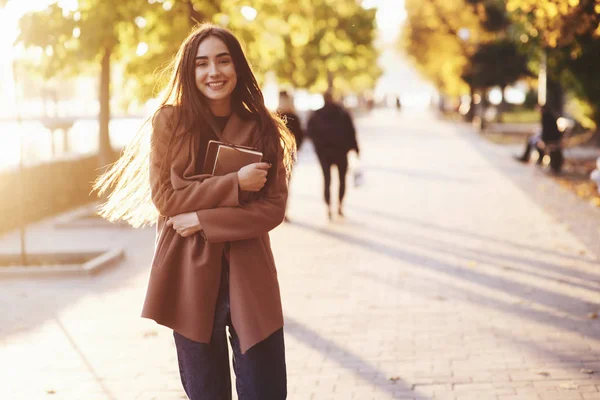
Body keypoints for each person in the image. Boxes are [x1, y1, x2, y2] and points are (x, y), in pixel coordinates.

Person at [94, 23, 295, 400]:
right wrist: (235, 183)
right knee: (205, 391)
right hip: (188, 272)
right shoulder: (170, 122)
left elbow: (271, 210)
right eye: (202, 63)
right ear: (190, 70)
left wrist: (202, 217)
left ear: (238, 67)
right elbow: (167, 200)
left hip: (250, 274)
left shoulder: (264, 128)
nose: (213, 72)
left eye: (223, 60)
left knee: (265, 389)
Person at [307, 91, 359, 219]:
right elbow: (351, 132)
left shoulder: (316, 115)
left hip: (324, 154)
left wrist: (318, 147)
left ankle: (329, 207)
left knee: (327, 180)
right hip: (341, 152)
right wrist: (355, 149)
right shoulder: (342, 113)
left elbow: (310, 133)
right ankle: (340, 206)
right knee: (342, 180)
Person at [277, 90, 304, 222]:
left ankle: (283, 211)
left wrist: (295, 149)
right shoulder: (274, 115)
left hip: (288, 155)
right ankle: (281, 211)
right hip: (278, 155)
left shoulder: (291, 116)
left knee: (284, 184)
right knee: (281, 184)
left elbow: (300, 136)